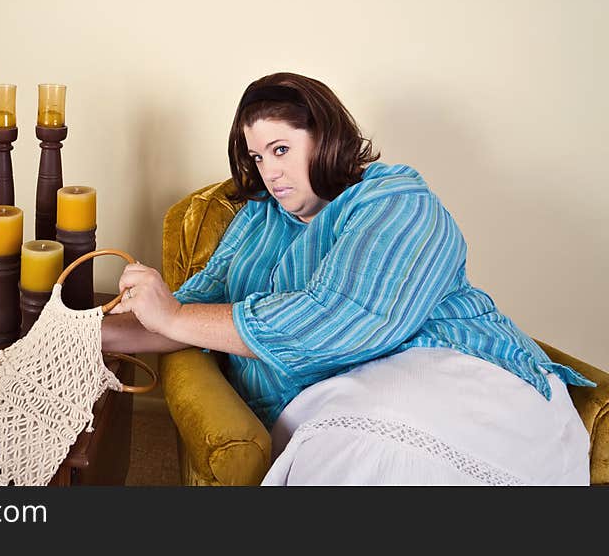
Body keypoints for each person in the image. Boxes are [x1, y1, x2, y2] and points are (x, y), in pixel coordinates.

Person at [100, 71, 594, 485]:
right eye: (256, 157)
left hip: (449, 371)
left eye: (280, 149)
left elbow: (341, 320)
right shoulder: (258, 220)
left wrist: (176, 314)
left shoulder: (396, 199)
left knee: (368, 454)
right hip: (327, 397)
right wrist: (79, 335)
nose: (269, 172)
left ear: (326, 136)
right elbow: (187, 311)